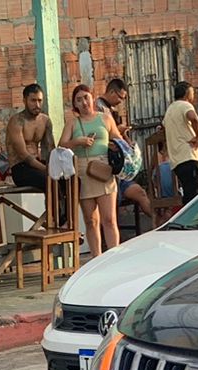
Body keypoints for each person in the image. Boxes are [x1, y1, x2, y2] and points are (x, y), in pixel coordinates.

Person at [60, 83, 122, 257]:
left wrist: (116, 146)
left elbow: (118, 139)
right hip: (82, 170)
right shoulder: (73, 122)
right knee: (91, 220)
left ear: (92, 98)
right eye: (79, 100)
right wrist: (77, 142)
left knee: (109, 219)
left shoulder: (105, 118)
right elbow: (61, 145)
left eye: (86, 98)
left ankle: (114, 257)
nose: (84, 103)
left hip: (103, 169)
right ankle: (97, 258)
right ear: (75, 104)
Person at [94, 77, 154, 227]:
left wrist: (128, 142)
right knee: (111, 207)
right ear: (112, 92)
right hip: (108, 166)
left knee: (140, 193)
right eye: (120, 98)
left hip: (121, 169)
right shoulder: (99, 109)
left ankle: (158, 225)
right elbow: (100, 135)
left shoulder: (113, 111)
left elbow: (119, 135)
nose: (121, 102)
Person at [5, 83, 56, 190]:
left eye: (40, 100)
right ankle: (54, 207)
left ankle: (64, 207)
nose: (37, 105)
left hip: (39, 165)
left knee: (69, 180)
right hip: (21, 168)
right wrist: (46, 169)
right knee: (49, 181)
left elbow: (50, 149)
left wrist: (55, 167)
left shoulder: (45, 120)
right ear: (24, 101)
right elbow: (23, 154)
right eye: (33, 100)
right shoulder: (16, 121)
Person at [162, 80, 198, 204]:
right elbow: (194, 118)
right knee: (194, 195)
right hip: (189, 156)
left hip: (177, 160)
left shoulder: (170, 109)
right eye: (192, 92)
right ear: (187, 94)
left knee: (189, 192)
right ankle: (192, 221)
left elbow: (164, 126)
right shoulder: (185, 105)